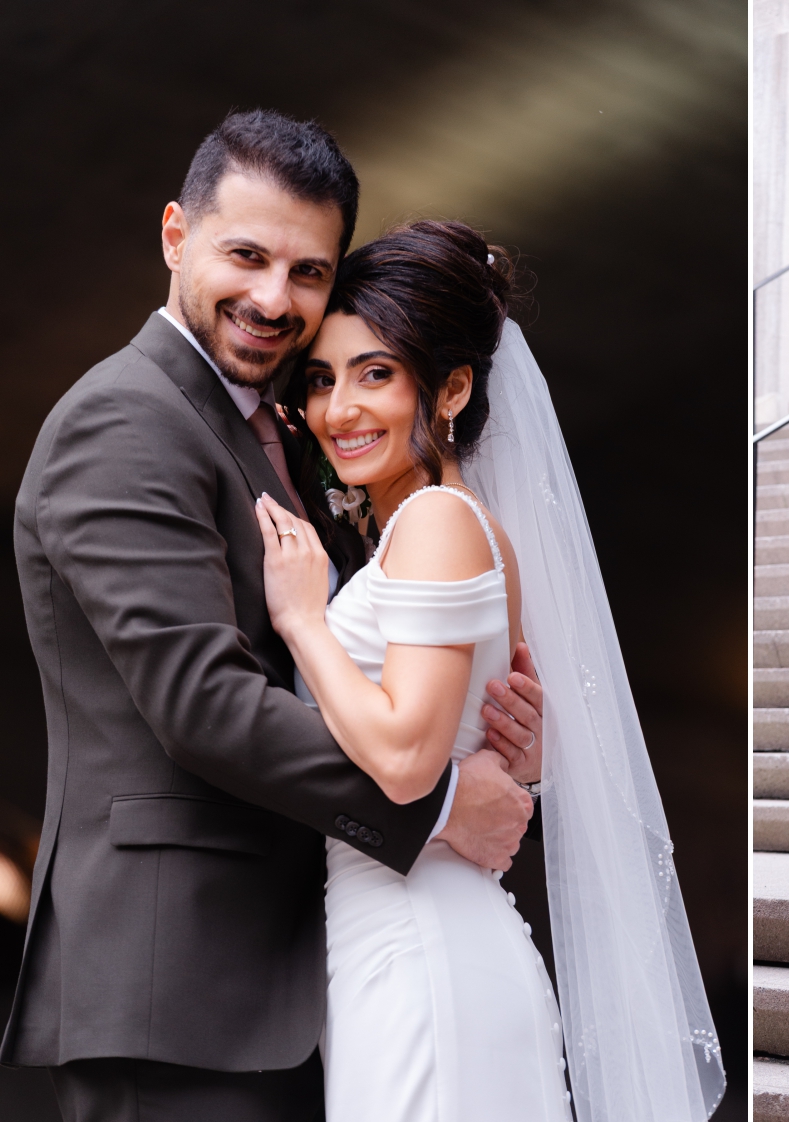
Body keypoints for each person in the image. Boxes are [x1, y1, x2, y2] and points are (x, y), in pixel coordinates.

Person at [1, 111, 545, 1121]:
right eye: (246, 255)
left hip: (293, 980)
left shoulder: (285, 438)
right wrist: (431, 806)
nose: (273, 297)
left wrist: (490, 724)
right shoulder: (123, 420)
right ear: (175, 235)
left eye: (308, 272)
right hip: (178, 984)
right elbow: (202, 702)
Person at [256, 219, 724, 1121]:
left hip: (422, 957)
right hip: (410, 945)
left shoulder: (436, 520)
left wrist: (304, 623)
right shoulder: (441, 528)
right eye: (321, 379)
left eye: (375, 373)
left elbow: (404, 761)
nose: (339, 409)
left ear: (454, 387)